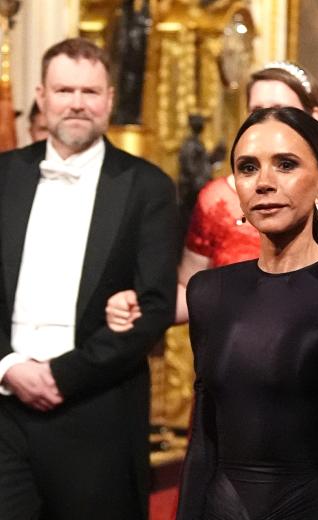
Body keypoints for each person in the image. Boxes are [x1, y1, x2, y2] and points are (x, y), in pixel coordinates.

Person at [0, 38, 178, 519]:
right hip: (4, 411)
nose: (77, 102)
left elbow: (156, 304)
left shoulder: (149, 187)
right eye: (64, 90)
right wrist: (9, 365)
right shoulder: (4, 176)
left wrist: (61, 375)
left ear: (110, 100)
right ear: (41, 96)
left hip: (98, 412)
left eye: (89, 91)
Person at [106, 62, 318, 327]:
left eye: (282, 109)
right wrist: (141, 306)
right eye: (257, 110)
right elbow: (190, 291)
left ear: (313, 115)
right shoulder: (216, 198)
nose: (268, 120)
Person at [175, 107, 318, 519]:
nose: (265, 183)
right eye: (248, 168)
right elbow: (203, 438)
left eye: (286, 165)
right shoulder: (210, 292)